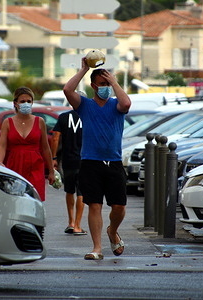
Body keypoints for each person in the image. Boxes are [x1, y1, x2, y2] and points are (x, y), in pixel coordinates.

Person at [63, 57, 131, 260]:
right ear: (93, 86)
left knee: (119, 207)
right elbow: (67, 90)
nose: (106, 88)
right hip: (90, 162)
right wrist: (83, 69)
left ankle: (112, 231)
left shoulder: (116, 105)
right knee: (95, 205)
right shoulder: (85, 105)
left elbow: (126, 103)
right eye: (102, 85)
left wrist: (114, 82)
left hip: (114, 162)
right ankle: (97, 248)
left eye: (108, 84)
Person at [0, 86, 55, 201]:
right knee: (15, 200)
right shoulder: (8, 122)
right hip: (15, 166)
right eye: (22, 101)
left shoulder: (40, 121)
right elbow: (2, 145)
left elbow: (45, 148)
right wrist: (0, 163)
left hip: (35, 166)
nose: (26, 104)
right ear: (15, 103)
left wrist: (51, 171)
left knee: (35, 200)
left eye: (29, 101)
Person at [51, 110, 87, 235]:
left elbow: (55, 137)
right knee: (81, 192)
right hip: (84, 159)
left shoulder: (63, 116)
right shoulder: (88, 116)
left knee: (69, 190)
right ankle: (78, 225)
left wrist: (54, 158)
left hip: (68, 160)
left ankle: (71, 222)